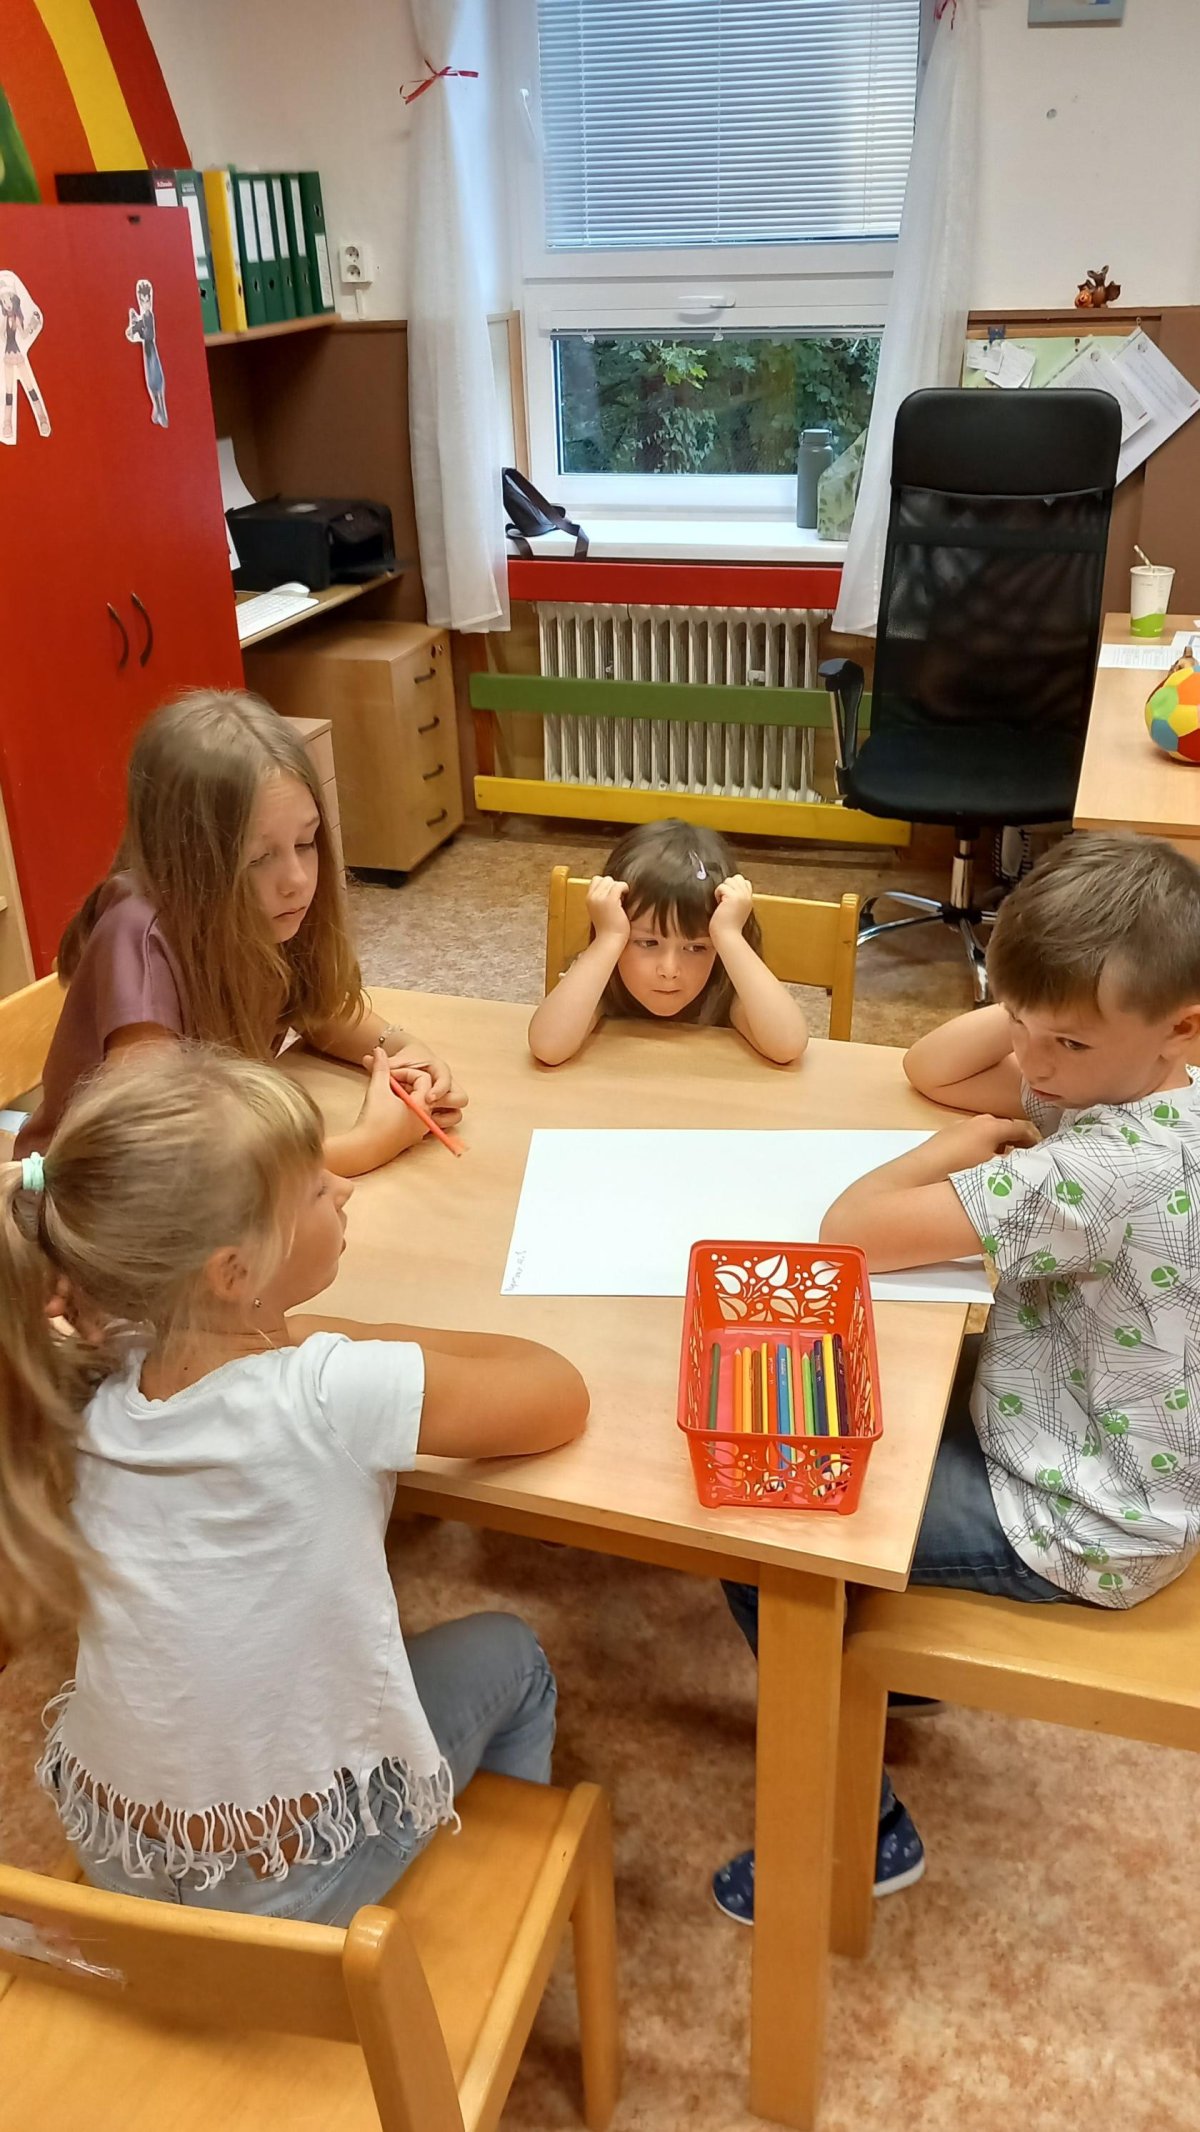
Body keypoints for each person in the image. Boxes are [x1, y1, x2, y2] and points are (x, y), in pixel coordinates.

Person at [714, 831, 1200, 1922]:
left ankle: (863, 1826)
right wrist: (1041, 1005)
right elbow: (927, 1065)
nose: (1034, 1065)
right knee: (856, 1400)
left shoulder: (1102, 1169)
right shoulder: (1147, 1077)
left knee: (763, 1523)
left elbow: (849, 1230)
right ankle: (892, 1656)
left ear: (1182, 1025)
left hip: (1081, 1518)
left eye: (1065, 1041)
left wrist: (958, 1145)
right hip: (1095, 1438)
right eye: (1018, 1022)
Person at [1, 1046, 588, 1923]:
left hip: (116, 1853)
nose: (342, 1190)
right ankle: (479, 1917)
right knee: (515, 1653)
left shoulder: (91, 1371)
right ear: (233, 1272)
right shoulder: (327, 1393)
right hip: (287, 1886)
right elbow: (557, 1391)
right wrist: (329, 1340)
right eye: (316, 1188)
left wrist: (295, 1332)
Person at [17, 690, 465, 1175]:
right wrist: (367, 1144)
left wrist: (402, 1050)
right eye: (258, 857)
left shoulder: (266, 909)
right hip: (96, 1204)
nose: (297, 879)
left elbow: (317, 1011)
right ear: (187, 859)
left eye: (305, 842)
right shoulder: (139, 940)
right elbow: (171, 1162)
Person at [527, 820, 809, 1066]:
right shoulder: (603, 976)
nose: (669, 970)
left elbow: (787, 1046)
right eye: (648, 943)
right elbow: (548, 1047)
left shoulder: (723, 985)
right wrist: (608, 938)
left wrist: (730, 935)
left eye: (696, 947)